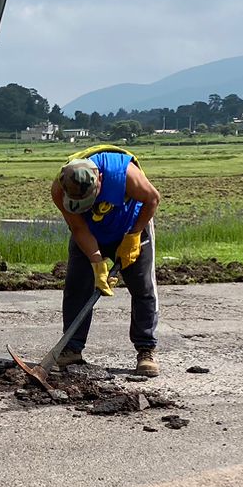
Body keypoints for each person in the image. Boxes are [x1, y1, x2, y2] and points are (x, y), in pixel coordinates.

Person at [50, 144, 162, 376]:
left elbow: (152, 199)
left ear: (100, 179)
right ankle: (71, 349)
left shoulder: (125, 174)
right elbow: (78, 228)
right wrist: (97, 262)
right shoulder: (60, 189)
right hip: (91, 233)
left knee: (143, 288)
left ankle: (146, 350)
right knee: (76, 288)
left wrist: (133, 236)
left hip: (131, 225)